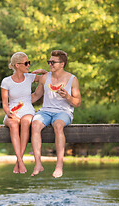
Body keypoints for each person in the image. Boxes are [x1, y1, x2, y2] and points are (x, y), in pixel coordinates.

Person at [30, 50, 81, 178]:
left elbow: (77, 102)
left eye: (53, 62)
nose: (50, 64)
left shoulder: (72, 79)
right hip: (45, 111)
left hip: (64, 112)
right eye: (49, 61)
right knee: (35, 124)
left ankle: (59, 165)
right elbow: (36, 96)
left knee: (58, 125)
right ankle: (38, 163)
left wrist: (68, 97)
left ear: (62, 64)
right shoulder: (45, 78)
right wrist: (16, 101)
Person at [1, 52, 46, 174]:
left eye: (28, 62)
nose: (28, 65)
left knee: (26, 122)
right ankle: (20, 161)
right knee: (14, 124)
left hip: (27, 109)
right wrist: (9, 113)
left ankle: (18, 162)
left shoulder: (30, 77)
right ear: (17, 65)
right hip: (12, 110)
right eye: (26, 63)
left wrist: (43, 71)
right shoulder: (6, 82)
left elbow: (47, 79)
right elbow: (5, 104)